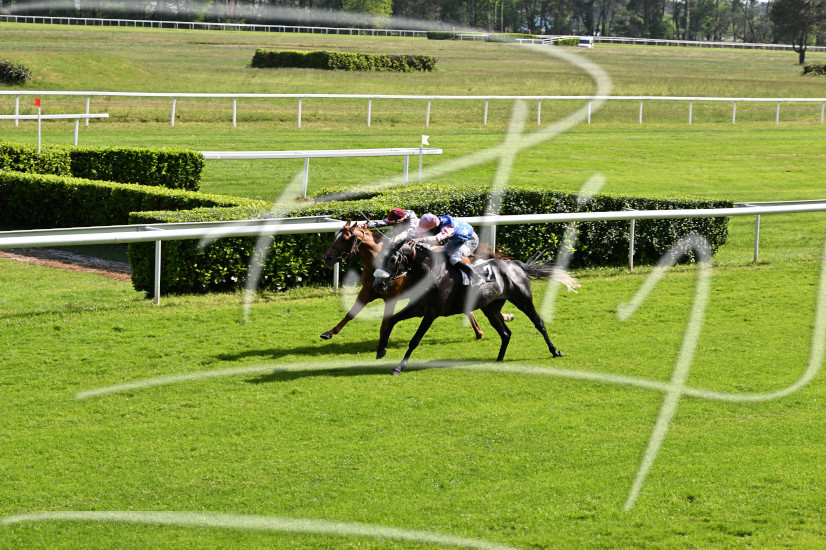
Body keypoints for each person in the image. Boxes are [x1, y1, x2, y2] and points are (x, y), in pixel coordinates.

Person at [413, 213, 485, 286]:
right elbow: (416, 232)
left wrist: (420, 239)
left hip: (470, 240)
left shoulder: (447, 227)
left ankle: (477, 277)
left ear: (434, 228)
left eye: (427, 231)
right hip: (456, 241)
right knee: (440, 257)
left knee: (454, 259)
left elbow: (437, 239)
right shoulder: (436, 223)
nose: (426, 233)